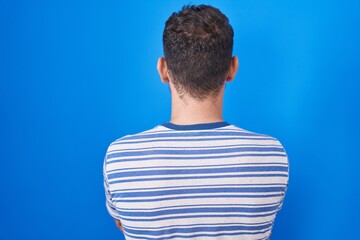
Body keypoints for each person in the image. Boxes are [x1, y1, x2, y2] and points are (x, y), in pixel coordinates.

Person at [103, 4, 289, 240]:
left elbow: (123, 224)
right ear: (232, 69)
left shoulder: (120, 157)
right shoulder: (272, 156)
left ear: (162, 70)